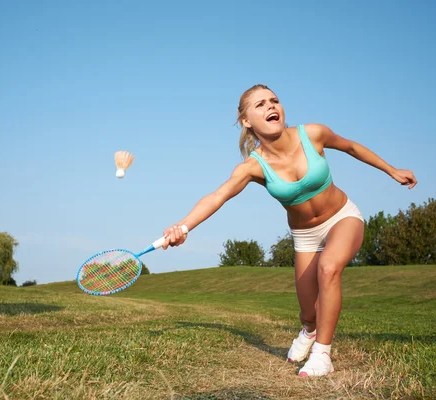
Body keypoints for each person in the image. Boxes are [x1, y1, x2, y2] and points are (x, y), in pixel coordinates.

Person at [160, 84, 417, 377]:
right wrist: (183, 227)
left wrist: (391, 169)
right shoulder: (253, 167)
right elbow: (218, 196)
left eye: (275, 100)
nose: (271, 107)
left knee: (329, 269)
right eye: (260, 105)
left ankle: (322, 353)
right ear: (246, 121)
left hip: (343, 217)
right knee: (309, 311)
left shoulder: (313, 134)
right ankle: (309, 331)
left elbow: (350, 146)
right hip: (305, 237)